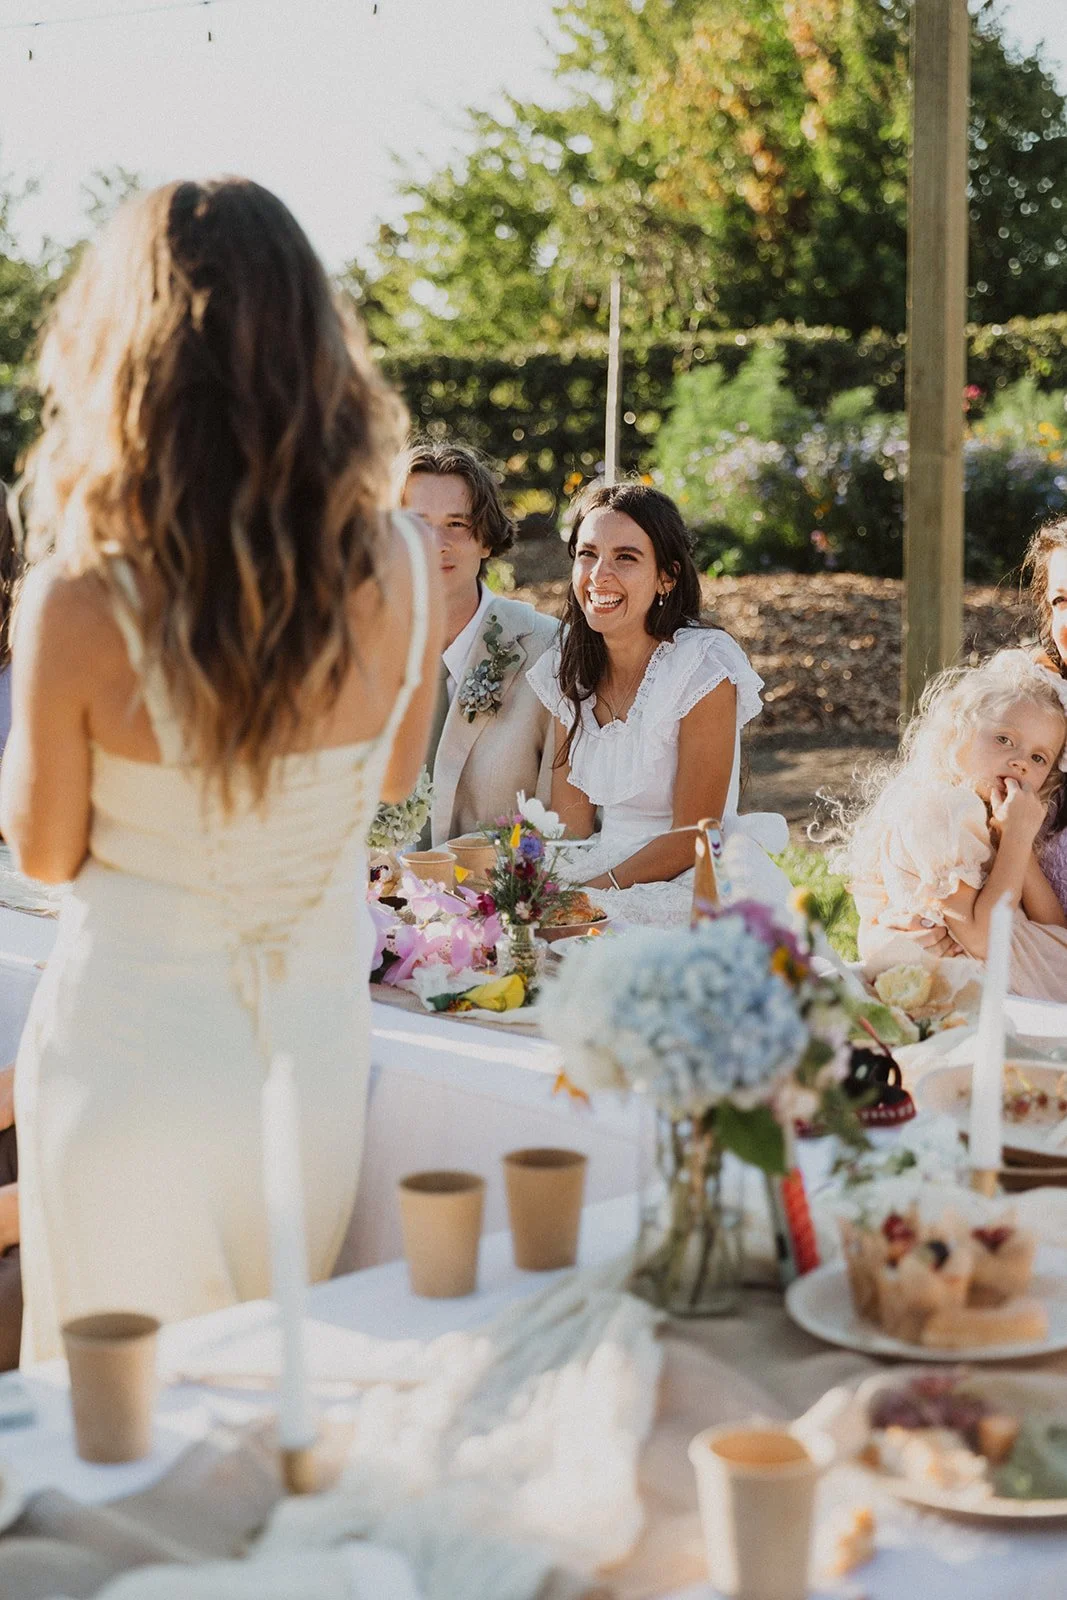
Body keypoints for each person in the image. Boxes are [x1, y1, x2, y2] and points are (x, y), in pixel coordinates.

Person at [2, 178, 442, 1362]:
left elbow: (44, 852)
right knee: (261, 1398)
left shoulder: (84, 595)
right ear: (317, 346)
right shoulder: (401, 561)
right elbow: (396, 767)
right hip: (304, 1057)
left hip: (132, 1055)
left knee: (116, 1430)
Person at [525, 480, 789, 926]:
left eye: (625, 558)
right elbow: (572, 828)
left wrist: (587, 896)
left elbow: (692, 837)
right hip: (604, 866)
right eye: (587, 554)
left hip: (693, 878)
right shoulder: (568, 669)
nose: (598, 575)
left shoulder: (701, 667)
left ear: (667, 576)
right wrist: (537, 886)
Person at [848, 649, 1067, 1002]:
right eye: (1004, 739)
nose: (1020, 762)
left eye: (1038, 757)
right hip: (986, 993)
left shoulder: (995, 818)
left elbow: (1056, 929)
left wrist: (1018, 839)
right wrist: (1014, 839)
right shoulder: (943, 809)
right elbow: (982, 939)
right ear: (957, 735)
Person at [397, 440, 555, 844]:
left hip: (499, 897)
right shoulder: (356, 653)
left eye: (456, 523)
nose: (436, 543)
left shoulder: (547, 651)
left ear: (485, 540)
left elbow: (567, 825)